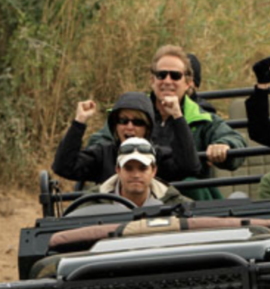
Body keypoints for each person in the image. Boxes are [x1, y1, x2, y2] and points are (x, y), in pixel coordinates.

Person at [88, 45, 247, 199]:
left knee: (191, 184)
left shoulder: (202, 118)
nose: (167, 81)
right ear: (152, 80)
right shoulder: (134, 114)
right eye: (161, 75)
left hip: (186, 199)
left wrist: (224, 146)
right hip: (136, 193)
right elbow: (99, 142)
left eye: (175, 76)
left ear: (188, 82)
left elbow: (236, 141)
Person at [51, 92, 199, 185]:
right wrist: (79, 122)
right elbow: (63, 167)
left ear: (148, 128)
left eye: (138, 122)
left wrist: (177, 116)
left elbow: (189, 166)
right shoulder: (103, 154)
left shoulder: (158, 155)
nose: (129, 127)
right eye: (123, 121)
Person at [90, 138, 190, 208]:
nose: (136, 175)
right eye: (128, 168)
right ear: (118, 170)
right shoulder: (92, 201)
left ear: (153, 171)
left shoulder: (175, 203)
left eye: (143, 169)